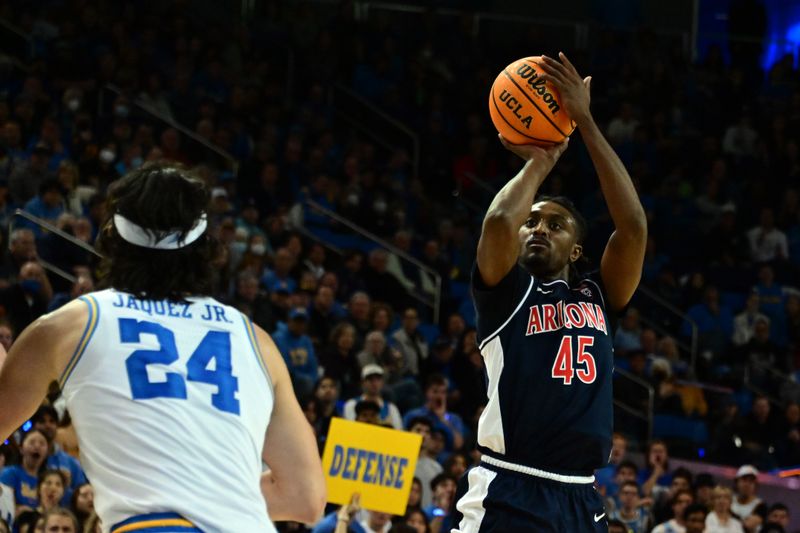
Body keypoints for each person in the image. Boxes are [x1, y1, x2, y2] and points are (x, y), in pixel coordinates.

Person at [0, 163, 326, 532]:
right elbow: (306, 498)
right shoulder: (256, 340)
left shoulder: (70, 325)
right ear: (207, 247)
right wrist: (212, 498)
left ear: (112, 240)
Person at [453, 52, 647, 532]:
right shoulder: (505, 293)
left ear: (578, 248)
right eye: (532, 222)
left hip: (581, 496)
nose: (537, 228)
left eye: (554, 224)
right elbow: (499, 220)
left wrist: (585, 123)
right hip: (511, 487)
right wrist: (541, 160)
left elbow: (633, 226)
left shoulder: (599, 297)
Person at [342, 364, 403, 429]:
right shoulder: (351, 405)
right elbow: (349, 430)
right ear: (363, 382)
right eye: (370, 379)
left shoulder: (391, 409)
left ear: (382, 382)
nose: (374, 383)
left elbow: (398, 432)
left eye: (378, 379)